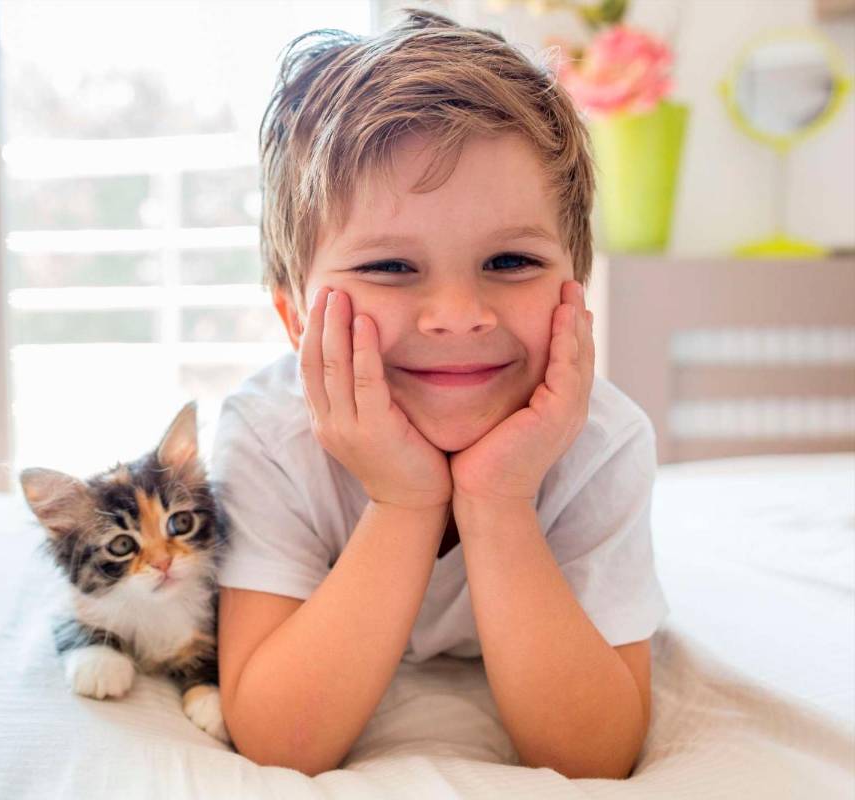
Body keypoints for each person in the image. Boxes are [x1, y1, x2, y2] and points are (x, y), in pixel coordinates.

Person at [209, 7, 670, 780]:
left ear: (575, 288)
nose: (459, 316)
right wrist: (403, 501)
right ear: (294, 316)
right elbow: (278, 740)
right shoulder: (268, 434)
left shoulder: (602, 440)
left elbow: (594, 756)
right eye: (390, 268)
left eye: (511, 261)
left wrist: (498, 499)